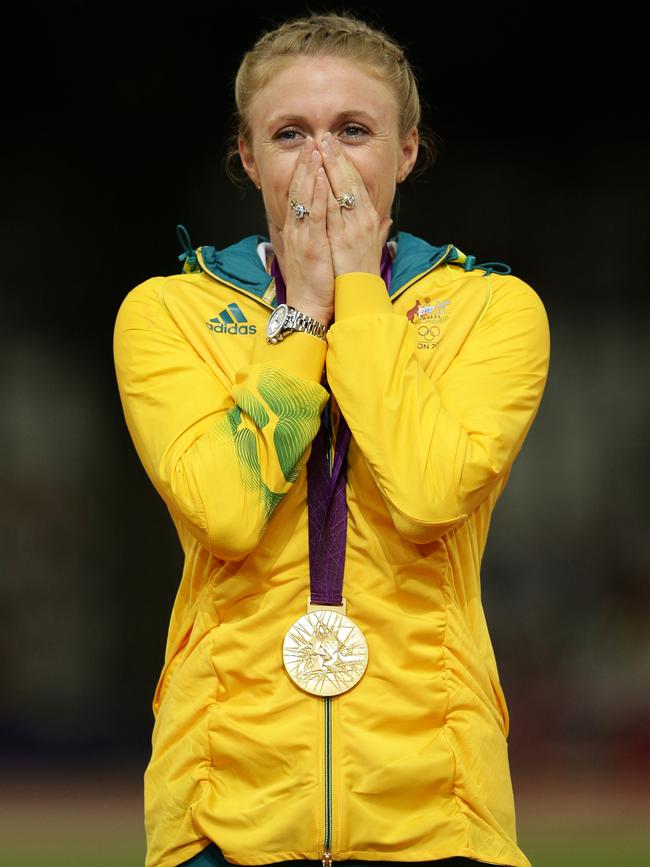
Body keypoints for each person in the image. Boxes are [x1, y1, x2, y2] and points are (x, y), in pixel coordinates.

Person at [112, 11, 550, 867]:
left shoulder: (493, 312)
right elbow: (229, 516)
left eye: (354, 131)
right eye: (290, 134)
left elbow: (427, 497)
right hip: (222, 799)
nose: (323, 163)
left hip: (438, 801)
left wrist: (356, 293)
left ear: (406, 151)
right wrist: (301, 315)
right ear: (248, 158)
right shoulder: (168, 315)